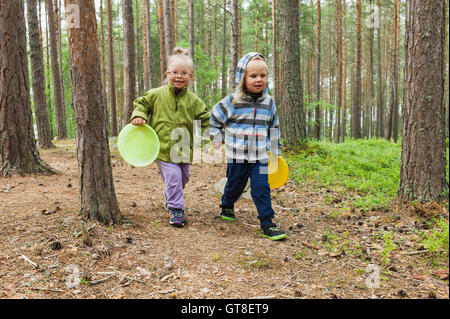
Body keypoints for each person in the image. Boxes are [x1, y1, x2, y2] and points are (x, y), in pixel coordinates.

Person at [210, 52, 286, 241]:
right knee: (235, 185)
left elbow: (273, 126)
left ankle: (267, 222)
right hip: (237, 155)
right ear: (242, 77)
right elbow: (215, 118)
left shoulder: (268, 103)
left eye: (262, 75)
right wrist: (216, 136)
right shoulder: (233, 101)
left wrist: (276, 149)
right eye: (253, 76)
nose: (258, 80)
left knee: (261, 188)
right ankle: (227, 204)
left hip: (259, 156)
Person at [130, 47, 210, 227]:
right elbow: (141, 103)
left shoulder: (194, 101)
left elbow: (205, 118)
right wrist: (138, 115)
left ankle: (169, 194)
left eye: (184, 73)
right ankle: (176, 209)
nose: (179, 76)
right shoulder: (156, 94)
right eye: (175, 72)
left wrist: (207, 137)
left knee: (184, 178)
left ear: (191, 76)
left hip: (183, 148)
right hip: (163, 147)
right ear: (167, 74)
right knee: (173, 177)